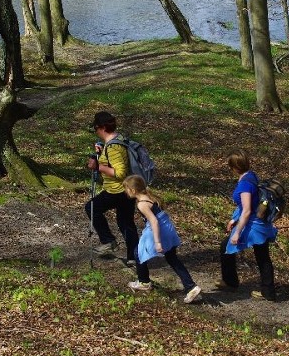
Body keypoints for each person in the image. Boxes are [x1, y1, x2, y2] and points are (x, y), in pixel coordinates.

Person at [122, 175, 202, 304]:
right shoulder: (150, 197)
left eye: (126, 189)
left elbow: (154, 221)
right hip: (167, 229)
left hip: (159, 231)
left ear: (133, 190)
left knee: (138, 252)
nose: (125, 192)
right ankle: (191, 287)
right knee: (172, 258)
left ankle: (144, 282)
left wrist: (158, 242)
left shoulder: (142, 204)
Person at [218, 149, 278, 301]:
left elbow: (246, 210)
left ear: (234, 167)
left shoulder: (244, 184)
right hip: (261, 224)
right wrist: (234, 219)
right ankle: (268, 291)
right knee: (262, 256)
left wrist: (237, 232)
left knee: (226, 247)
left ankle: (231, 282)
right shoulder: (251, 175)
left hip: (253, 226)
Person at [85, 111, 139, 265]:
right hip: (128, 190)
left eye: (96, 128)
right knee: (126, 223)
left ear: (102, 127)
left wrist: (97, 166)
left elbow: (119, 172)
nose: (96, 132)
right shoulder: (119, 140)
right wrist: (102, 153)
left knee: (91, 207)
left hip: (117, 190)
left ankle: (108, 241)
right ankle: (133, 257)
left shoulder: (113, 147)